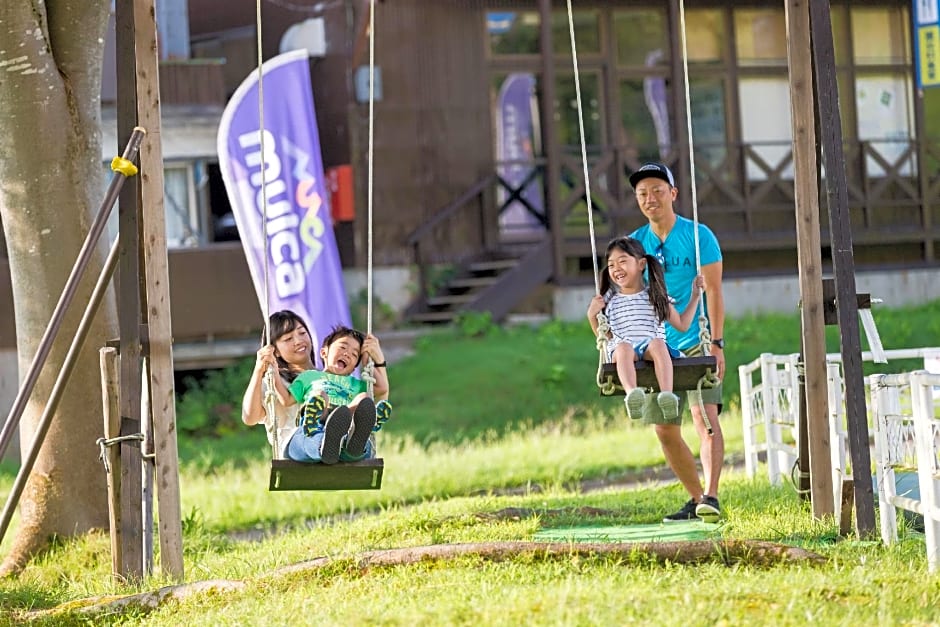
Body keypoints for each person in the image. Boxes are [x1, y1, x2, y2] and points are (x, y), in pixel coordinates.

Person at [627, 162, 726, 524]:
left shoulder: (700, 236)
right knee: (665, 429)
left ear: (673, 193)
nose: (650, 198)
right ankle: (696, 498)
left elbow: (714, 291)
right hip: (657, 347)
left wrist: (716, 342)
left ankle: (712, 496)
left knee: (706, 418)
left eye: (656, 190)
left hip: (697, 339)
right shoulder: (636, 244)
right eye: (642, 194)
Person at [242, 312, 392, 464]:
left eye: (302, 333)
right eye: (288, 338)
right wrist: (259, 369)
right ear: (275, 350)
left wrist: (376, 360)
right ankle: (324, 444)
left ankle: (352, 443)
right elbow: (250, 417)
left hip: (341, 443)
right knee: (312, 432)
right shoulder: (275, 381)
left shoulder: (334, 380)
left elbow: (380, 392)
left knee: (360, 429)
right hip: (300, 445)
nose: (298, 341)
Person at [587, 236, 704, 422]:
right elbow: (605, 337)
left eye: (622, 261)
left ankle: (667, 395)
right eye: (611, 265)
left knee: (658, 343)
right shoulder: (609, 301)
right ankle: (632, 394)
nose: (616, 268)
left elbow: (682, 325)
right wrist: (592, 316)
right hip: (623, 351)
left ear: (641, 264)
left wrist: (695, 297)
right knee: (623, 347)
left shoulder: (656, 296)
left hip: (651, 347)